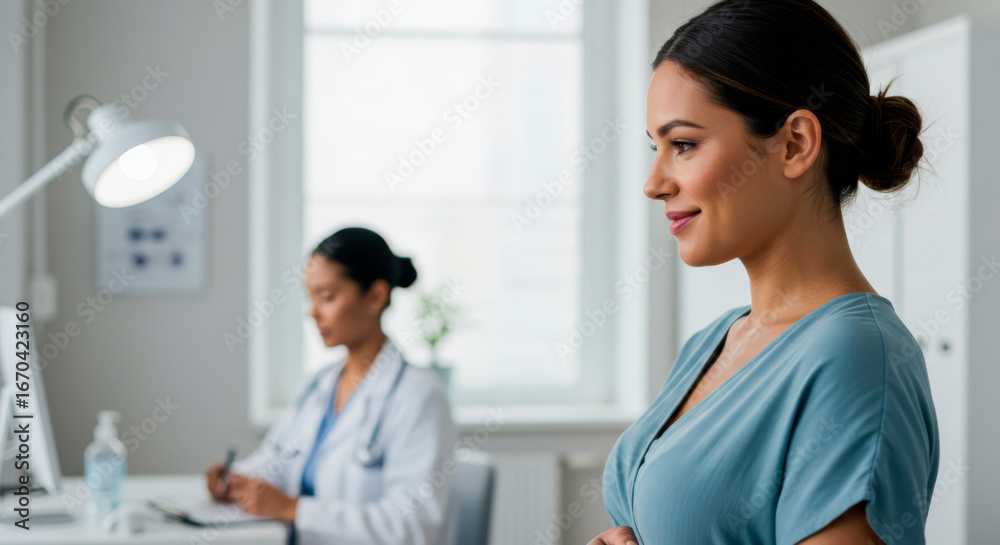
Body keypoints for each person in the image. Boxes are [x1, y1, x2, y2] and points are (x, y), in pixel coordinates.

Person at [590, 1, 938, 544]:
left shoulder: (855, 358)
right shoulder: (715, 339)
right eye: (656, 148)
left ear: (795, 144)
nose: (653, 182)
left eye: (682, 145)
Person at [204, 227, 458, 545]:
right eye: (310, 296)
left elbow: (411, 528)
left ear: (376, 296)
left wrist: (293, 509)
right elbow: (275, 461)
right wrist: (234, 480)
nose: (313, 312)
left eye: (327, 296)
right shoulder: (319, 384)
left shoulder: (420, 397)